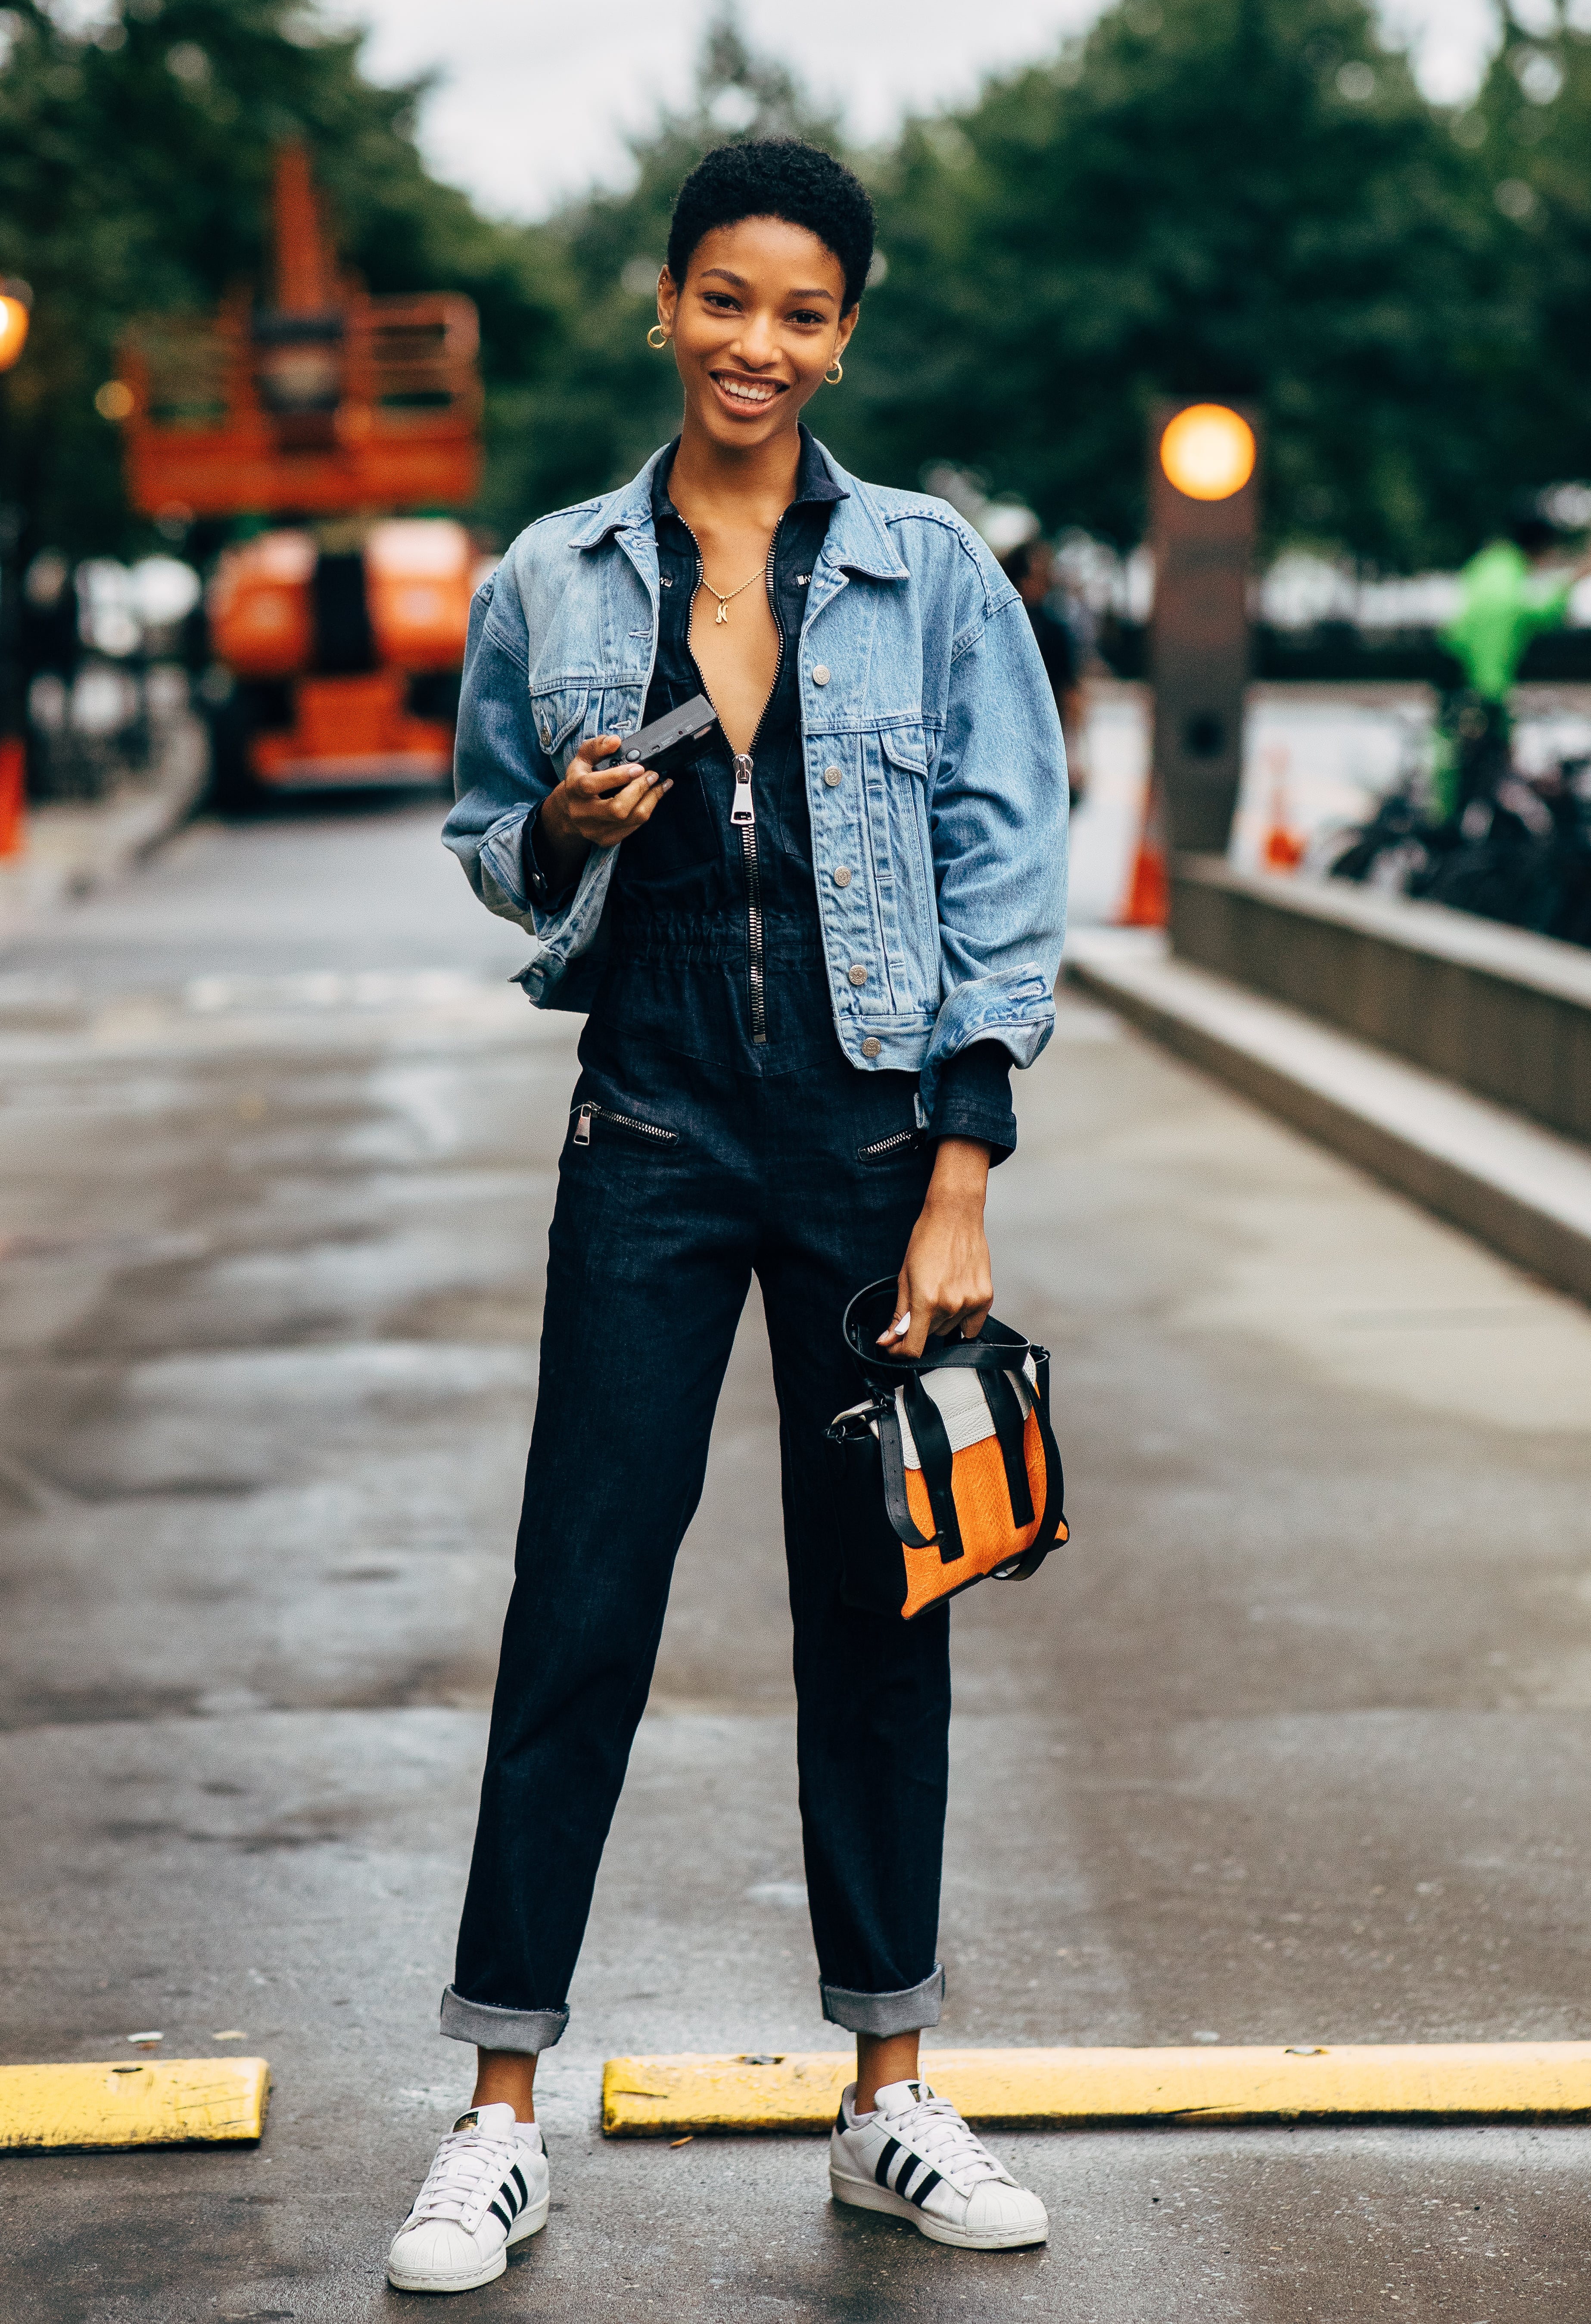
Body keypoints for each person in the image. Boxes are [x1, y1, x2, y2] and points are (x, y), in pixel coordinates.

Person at [387, 137, 1069, 2294]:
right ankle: (495, 2111)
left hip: (870, 1156)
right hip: (654, 1131)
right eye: (723, 301)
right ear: (663, 304)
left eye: (799, 311)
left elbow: (1001, 869)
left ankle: (888, 2088)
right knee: (577, 1603)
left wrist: (959, 1166)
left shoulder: (935, 574)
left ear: (840, 329)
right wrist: (562, 825)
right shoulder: (551, 581)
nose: (755, 345)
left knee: (880, 1619)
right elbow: (492, 825)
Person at [1435, 514, 1591, 823]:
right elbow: (1538, 612)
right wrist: (1580, 576)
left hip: (1453, 680)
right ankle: (1455, 838)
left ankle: (1445, 826)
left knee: (1451, 769)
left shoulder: (1491, 564)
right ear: (1542, 548)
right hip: (1479, 692)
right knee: (1475, 774)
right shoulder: (1509, 586)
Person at [1001, 538, 1087, 806]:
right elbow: (1070, 691)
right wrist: (1077, 752)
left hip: (1005, 741)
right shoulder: (1053, 626)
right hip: (1046, 739)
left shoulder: (996, 622)